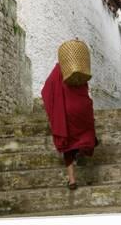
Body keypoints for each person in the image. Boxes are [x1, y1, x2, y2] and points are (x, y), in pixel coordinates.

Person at [41, 62, 99, 190]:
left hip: (67, 110)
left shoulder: (58, 69)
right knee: (85, 132)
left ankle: (72, 180)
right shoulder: (79, 68)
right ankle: (82, 151)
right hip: (82, 107)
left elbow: (46, 90)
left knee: (67, 144)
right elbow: (85, 88)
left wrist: (53, 108)